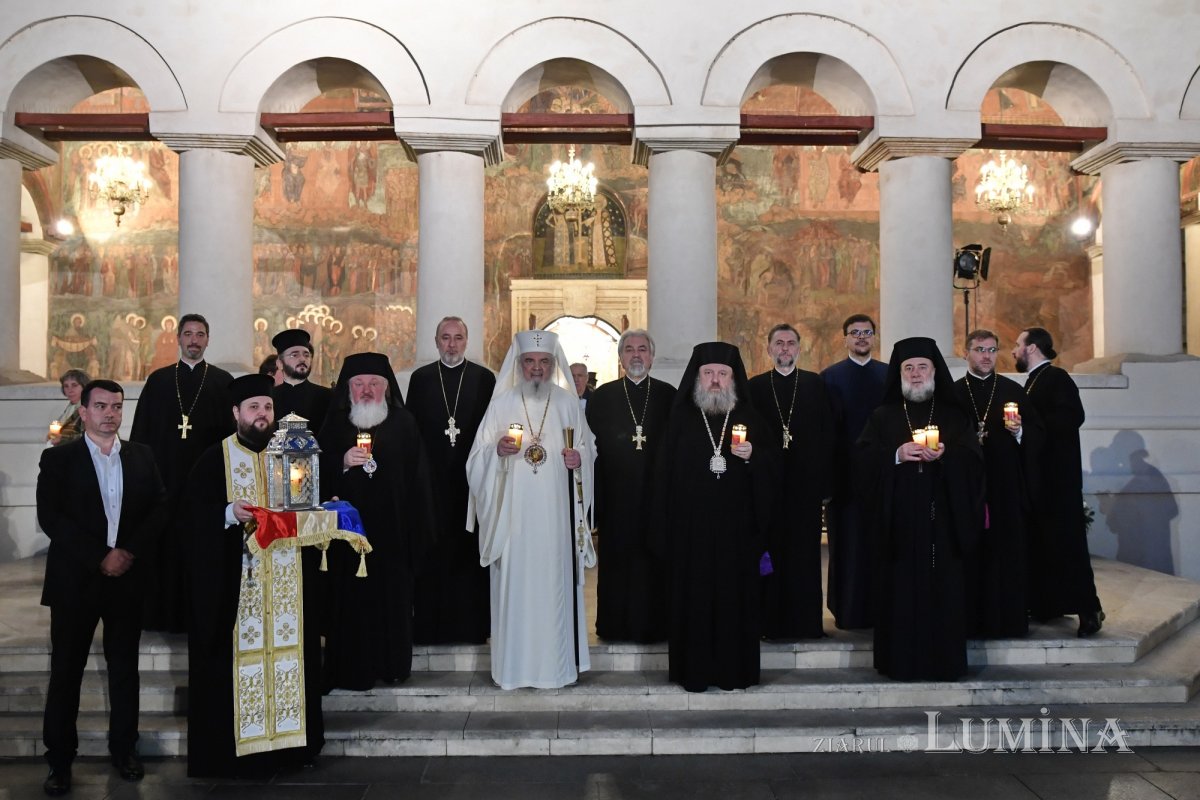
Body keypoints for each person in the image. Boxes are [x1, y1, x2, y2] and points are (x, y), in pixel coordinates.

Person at [184, 374, 324, 777]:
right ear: (236, 414)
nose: (262, 415)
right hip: (236, 588)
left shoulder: (292, 456)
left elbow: (305, 510)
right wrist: (228, 513)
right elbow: (189, 520)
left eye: (267, 407)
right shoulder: (214, 459)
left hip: (286, 588)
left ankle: (293, 749)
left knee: (290, 661)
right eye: (254, 408)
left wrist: (323, 510)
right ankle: (234, 755)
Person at [36, 380, 167, 795]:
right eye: (102, 406)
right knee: (66, 672)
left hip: (126, 580)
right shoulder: (59, 460)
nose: (110, 413)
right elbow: (51, 518)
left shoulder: (142, 456)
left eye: (117, 406)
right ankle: (59, 761)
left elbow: (159, 508)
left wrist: (127, 551)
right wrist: (100, 555)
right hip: (75, 580)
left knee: (125, 670)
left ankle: (124, 750)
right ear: (85, 411)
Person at [466, 330, 596, 690]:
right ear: (519, 365)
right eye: (530, 362)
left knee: (554, 589)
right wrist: (497, 452)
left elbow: (589, 449)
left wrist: (579, 458)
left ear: (553, 366)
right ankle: (514, 669)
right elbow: (475, 458)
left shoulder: (568, 404)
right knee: (517, 590)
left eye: (543, 362)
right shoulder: (502, 403)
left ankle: (556, 668)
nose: (536, 368)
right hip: (514, 519)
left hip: (556, 520)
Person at [651, 342, 778, 692]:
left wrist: (755, 457)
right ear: (697, 378)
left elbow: (774, 471)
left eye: (723, 374)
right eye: (709, 374)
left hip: (737, 535)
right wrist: (663, 531)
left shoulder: (750, 419)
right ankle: (694, 672)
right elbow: (662, 478)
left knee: (735, 602)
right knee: (693, 603)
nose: (716, 381)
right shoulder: (680, 419)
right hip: (689, 534)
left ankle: (734, 672)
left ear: (734, 379)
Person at [857, 337, 984, 681]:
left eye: (922, 367)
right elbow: (863, 462)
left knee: (944, 592)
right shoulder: (882, 416)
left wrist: (948, 456)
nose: (915, 374)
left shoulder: (955, 416)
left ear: (934, 373)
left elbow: (975, 463)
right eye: (908, 368)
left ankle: (944, 663)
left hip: (942, 524)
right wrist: (896, 455)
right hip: (898, 526)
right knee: (899, 595)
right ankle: (899, 664)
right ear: (899, 374)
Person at [317, 352, 436, 689]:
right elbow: (311, 476)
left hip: (393, 536)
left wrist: (418, 532)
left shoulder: (404, 423)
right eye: (359, 384)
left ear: (386, 387)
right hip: (345, 538)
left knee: (392, 602)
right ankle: (350, 670)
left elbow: (420, 481)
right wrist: (340, 462)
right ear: (348, 389)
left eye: (374, 383)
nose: (366, 390)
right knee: (349, 604)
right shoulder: (335, 425)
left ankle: (392, 666)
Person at [129, 312, 234, 632]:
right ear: (177, 339)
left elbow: (231, 439)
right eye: (188, 334)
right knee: (163, 549)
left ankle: (201, 616)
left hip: (207, 488)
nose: (193, 340)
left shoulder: (222, 382)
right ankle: (159, 615)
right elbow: (141, 435)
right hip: (163, 482)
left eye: (200, 334)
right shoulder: (159, 381)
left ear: (207, 339)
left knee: (202, 552)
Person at [406, 316, 496, 645]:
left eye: (458, 337)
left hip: (473, 485)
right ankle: (431, 627)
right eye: (446, 338)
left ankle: (473, 627)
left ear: (467, 340)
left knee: (469, 555)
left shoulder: (484, 379)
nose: (452, 344)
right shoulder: (421, 379)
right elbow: (412, 432)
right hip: (430, 486)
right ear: (436, 341)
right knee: (433, 553)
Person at [1013, 327, 1105, 636]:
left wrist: (1027, 429)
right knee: (1042, 545)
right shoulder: (1033, 382)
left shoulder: (1057, 378)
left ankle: (1089, 609)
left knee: (1069, 546)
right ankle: (1047, 604)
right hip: (1040, 480)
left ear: (1033, 348)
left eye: (1017, 345)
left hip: (1059, 481)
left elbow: (1071, 418)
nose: (1013, 351)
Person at [586, 329, 675, 642]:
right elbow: (590, 452)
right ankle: (614, 626)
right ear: (620, 357)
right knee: (617, 564)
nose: (636, 355)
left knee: (655, 564)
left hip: (657, 497)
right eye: (629, 350)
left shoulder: (669, 396)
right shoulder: (602, 398)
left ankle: (655, 626)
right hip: (616, 498)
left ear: (651, 356)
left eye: (642, 349)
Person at [953, 329, 1044, 638]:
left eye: (992, 350)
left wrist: (1019, 433)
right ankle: (968, 620)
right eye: (980, 349)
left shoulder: (1012, 390)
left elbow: (1037, 434)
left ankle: (1007, 620)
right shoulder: (952, 394)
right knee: (970, 553)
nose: (986, 356)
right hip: (966, 489)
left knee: (1005, 555)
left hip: (1004, 488)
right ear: (965, 353)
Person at [747, 324, 834, 640]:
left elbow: (828, 437)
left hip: (805, 488)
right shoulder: (755, 387)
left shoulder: (815, 385)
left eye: (790, 343)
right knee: (768, 555)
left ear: (800, 348)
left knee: (804, 556)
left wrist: (825, 486)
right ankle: (767, 623)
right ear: (768, 349)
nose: (784, 349)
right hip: (766, 487)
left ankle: (806, 624)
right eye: (778, 343)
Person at [820, 314, 888, 629]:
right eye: (855, 332)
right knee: (845, 546)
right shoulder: (829, 378)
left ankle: (879, 610)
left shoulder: (889, 376)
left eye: (867, 332)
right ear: (844, 338)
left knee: (880, 545)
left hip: (882, 478)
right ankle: (846, 610)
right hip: (843, 478)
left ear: (874, 337)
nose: (861, 337)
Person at [271, 328, 332, 427]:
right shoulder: (269, 398)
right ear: (280, 363)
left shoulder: (327, 397)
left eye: (306, 355)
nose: (302, 359)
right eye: (294, 355)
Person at [47, 369, 90, 446]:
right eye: (66, 386)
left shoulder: (88, 409)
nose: (70, 390)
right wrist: (53, 436)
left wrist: (62, 439)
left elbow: (91, 438)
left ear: (84, 386)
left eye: (74, 385)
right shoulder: (69, 408)